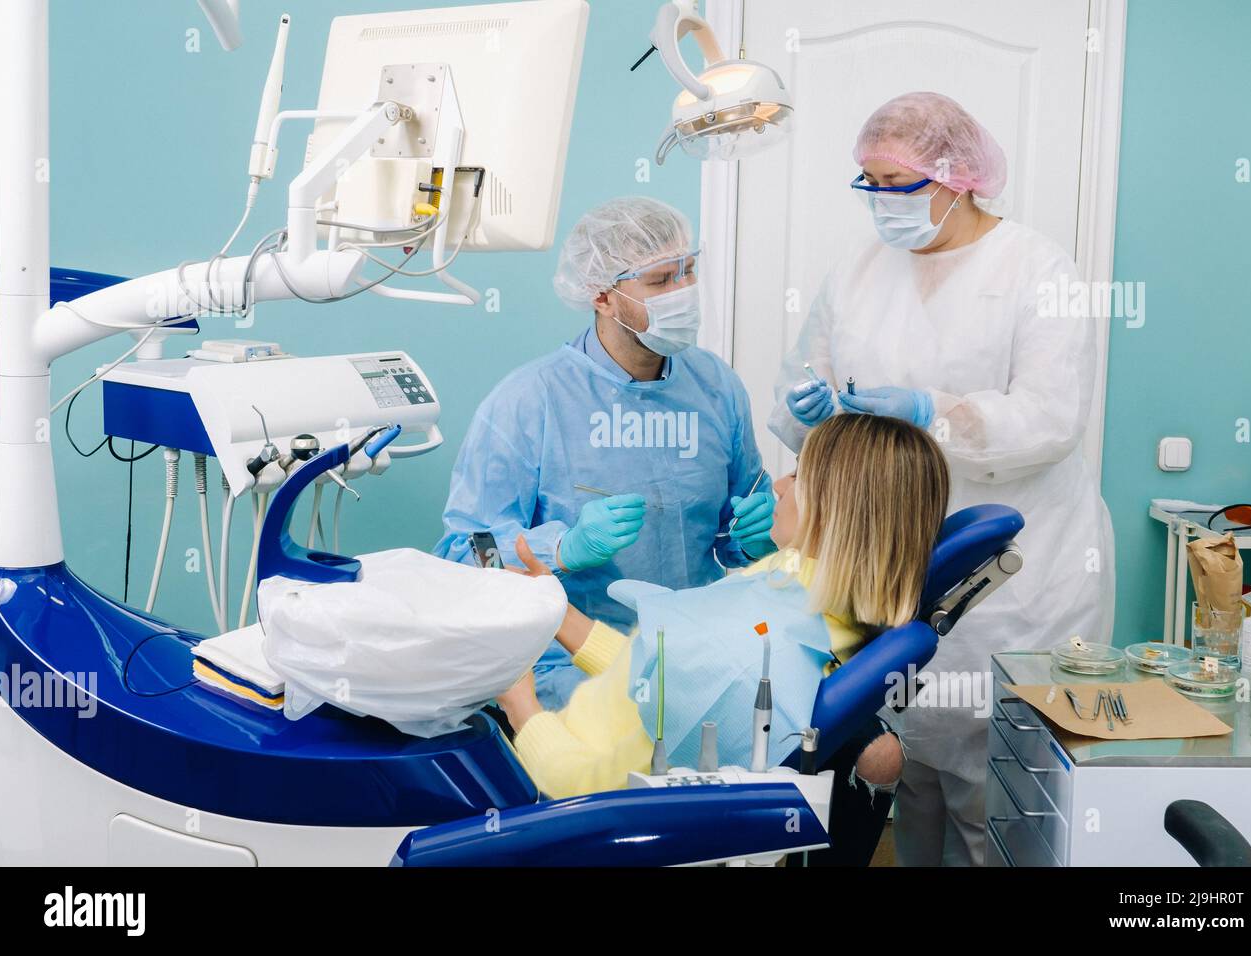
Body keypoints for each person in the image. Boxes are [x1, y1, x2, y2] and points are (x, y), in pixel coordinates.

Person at [769, 91, 1115, 866]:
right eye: (869, 182)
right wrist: (804, 411)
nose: (879, 201)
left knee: (995, 787)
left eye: (896, 182)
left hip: (1013, 576)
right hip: (890, 567)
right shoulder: (858, 270)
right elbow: (804, 398)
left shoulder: (1035, 268)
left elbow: (1053, 418)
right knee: (909, 771)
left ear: (958, 177)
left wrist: (934, 411)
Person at [496, 414, 949, 825]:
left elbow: (596, 792)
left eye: (799, 472)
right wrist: (557, 612)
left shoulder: (748, 653)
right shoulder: (806, 599)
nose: (779, 484)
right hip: (588, 731)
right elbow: (666, 675)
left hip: (566, 783)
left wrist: (522, 710)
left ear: (832, 507)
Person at [435, 197, 774, 711]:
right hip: (573, 667)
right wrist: (563, 550)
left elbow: (737, 529)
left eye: (689, 272)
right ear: (602, 295)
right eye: (661, 281)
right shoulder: (530, 401)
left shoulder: (717, 387)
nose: (683, 293)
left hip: (696, 650)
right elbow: (466, 553)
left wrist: (753, 539)